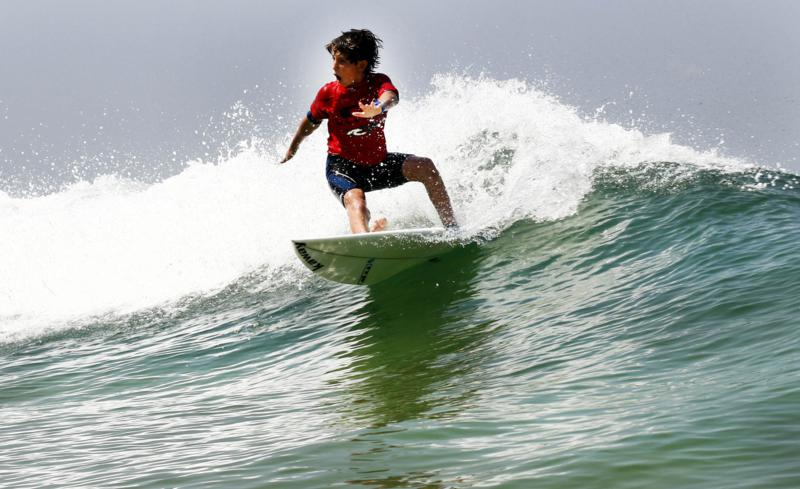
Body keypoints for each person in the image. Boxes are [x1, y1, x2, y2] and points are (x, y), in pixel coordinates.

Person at [281, 28, 457, 234]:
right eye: (333, 60)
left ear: (362, 65)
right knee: (356, 201)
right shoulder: (329, 93)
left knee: (425, 167)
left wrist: (378, 108)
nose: (334, 67)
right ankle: (364, 241)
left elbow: (391, 97)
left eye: (341, 61)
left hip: (377, 163)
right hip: (343, 168)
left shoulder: (378, 83)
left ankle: (452, 229)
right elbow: (310, 122)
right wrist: (293, 147)